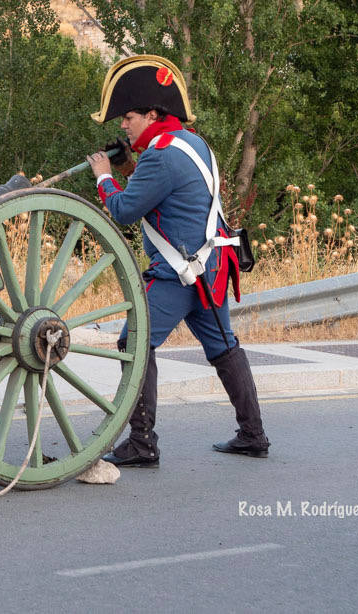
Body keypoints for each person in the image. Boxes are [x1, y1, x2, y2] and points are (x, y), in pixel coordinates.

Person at [86, 54, 270, 466]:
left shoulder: (160, 156)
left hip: (177, 273)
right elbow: (162, 192)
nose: (123, 123)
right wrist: (128, 161)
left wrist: (103, 175)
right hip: (210, 269)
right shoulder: (190, 142)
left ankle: (142, 443)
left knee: (133, 342)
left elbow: (123, 210)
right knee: (224, 347)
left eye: (129, 116)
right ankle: (253, 434)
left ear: (152, 113)